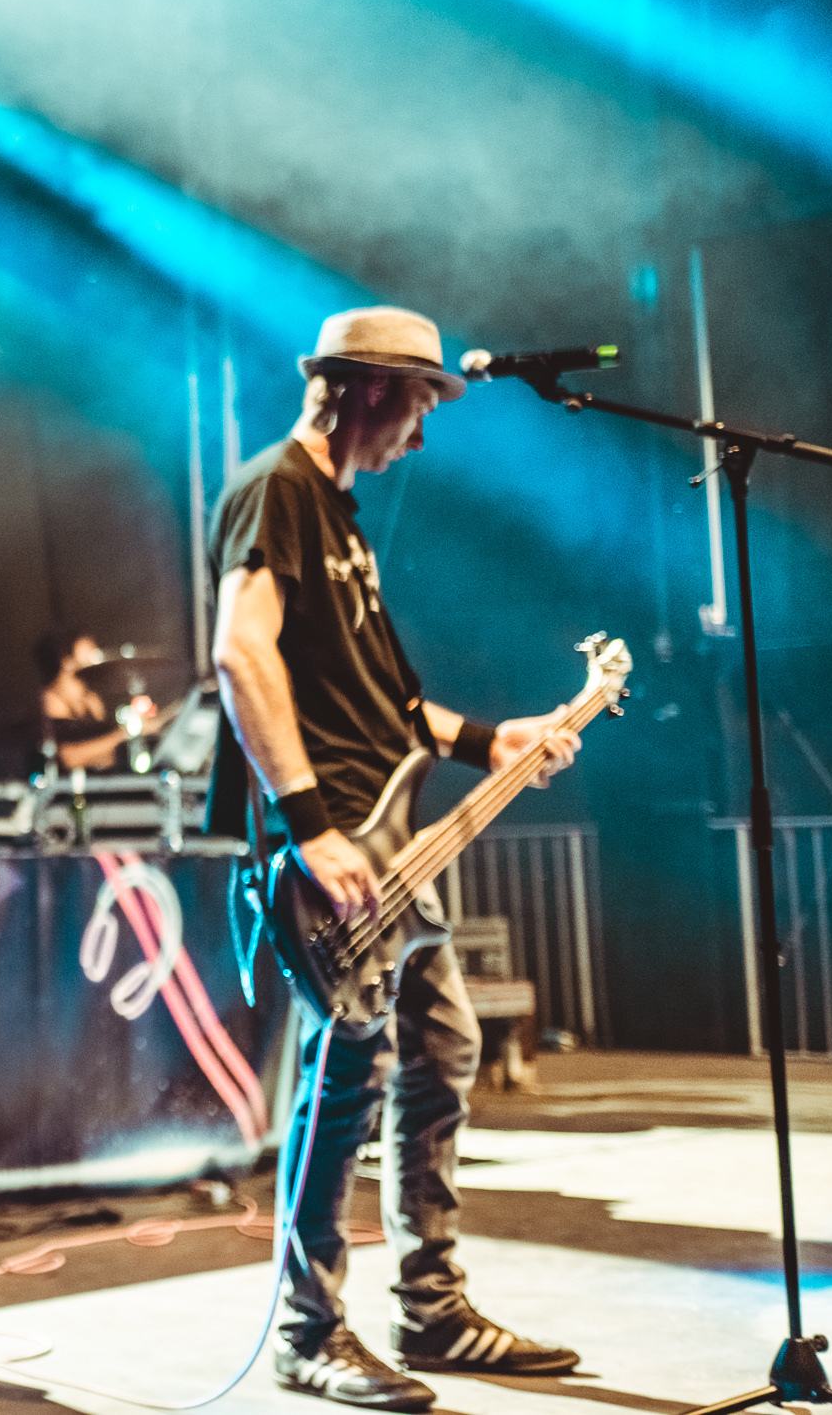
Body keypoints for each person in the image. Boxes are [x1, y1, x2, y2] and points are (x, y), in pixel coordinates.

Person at [206, 307, 581, 1410]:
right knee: (345, 1077)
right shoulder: (275, 489)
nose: (423, 432)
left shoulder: (341, 519)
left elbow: (391, 706)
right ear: (371, 388)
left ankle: (432, 1306)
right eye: (420, 402)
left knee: (442, 1050)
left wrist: (491, 741)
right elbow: (239, 652)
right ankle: (308, 1329)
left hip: (389, 850)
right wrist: (310, 823)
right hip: (332, 849)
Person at [28, 625, 156, 772]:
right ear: (66, 660)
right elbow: (69, 758)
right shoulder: (50, 701)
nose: (95, 651)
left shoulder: (92, 701)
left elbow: (107, 758)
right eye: (88, 647)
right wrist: (127, 732)